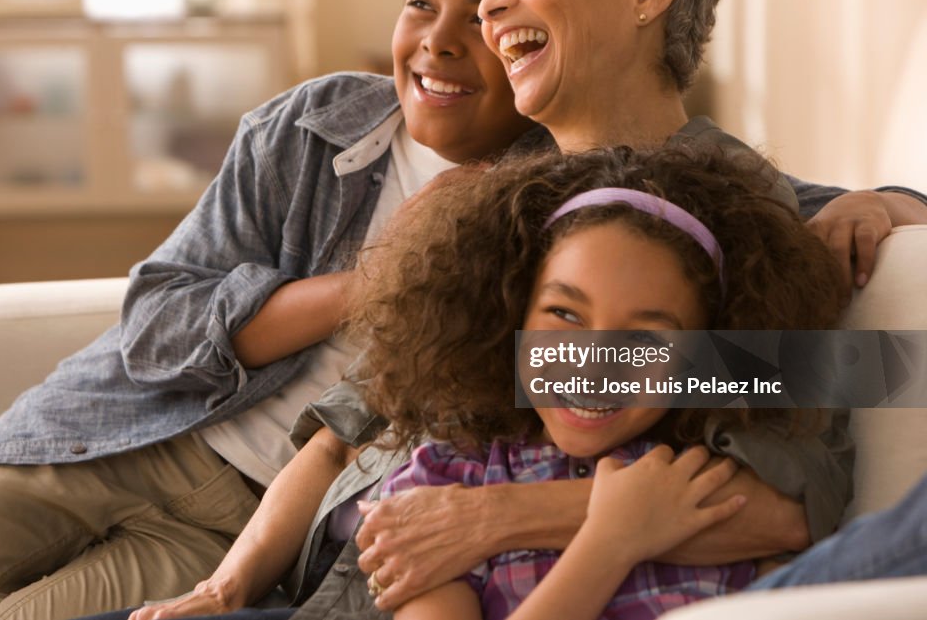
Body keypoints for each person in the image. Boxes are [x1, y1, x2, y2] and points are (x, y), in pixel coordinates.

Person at [0, 0, 534, 619]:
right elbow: (156, 321)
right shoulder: (309, 127)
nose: (438, 42)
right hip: (135, 435)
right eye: (422, 4)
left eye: (480, 19)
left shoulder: (545, 209)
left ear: (528, 42)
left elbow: (650, 379)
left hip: (247, 530)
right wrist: (375, 278)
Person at [354, 143, 846, 620]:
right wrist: (609, 541)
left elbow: (794, 537)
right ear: (508, 314)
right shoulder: (445, 483)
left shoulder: (722, 460)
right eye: (564, 313)